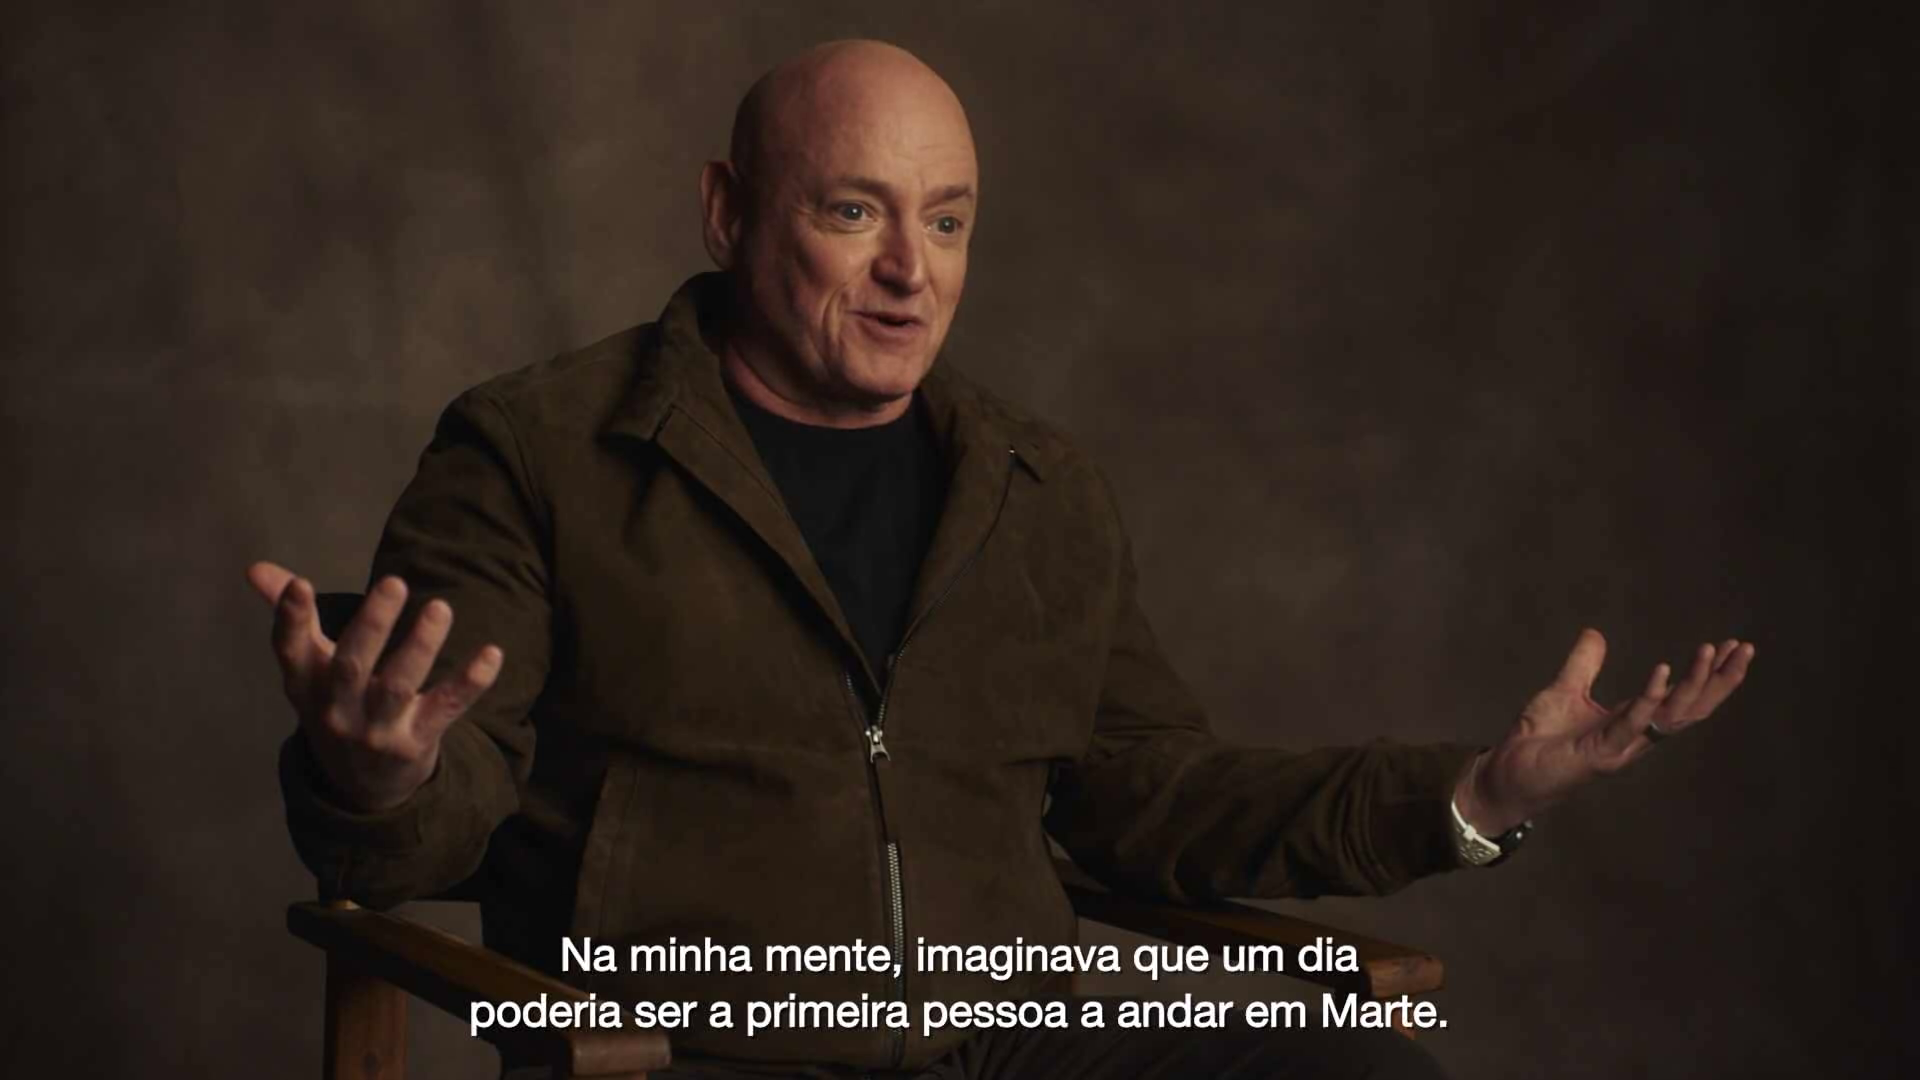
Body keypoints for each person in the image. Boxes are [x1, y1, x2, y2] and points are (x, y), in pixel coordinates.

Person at [246, 40, 1753, 1080]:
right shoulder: (536, 451)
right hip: (692, 1042)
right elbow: (421, 817)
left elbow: (1152, 799)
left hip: (1017, 1033)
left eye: (949, 221)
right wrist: (378, 773)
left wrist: (1480, 795)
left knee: (1354, 1057)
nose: (913, 272)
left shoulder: (1035, 488)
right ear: (727, 213)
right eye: (856, 212)